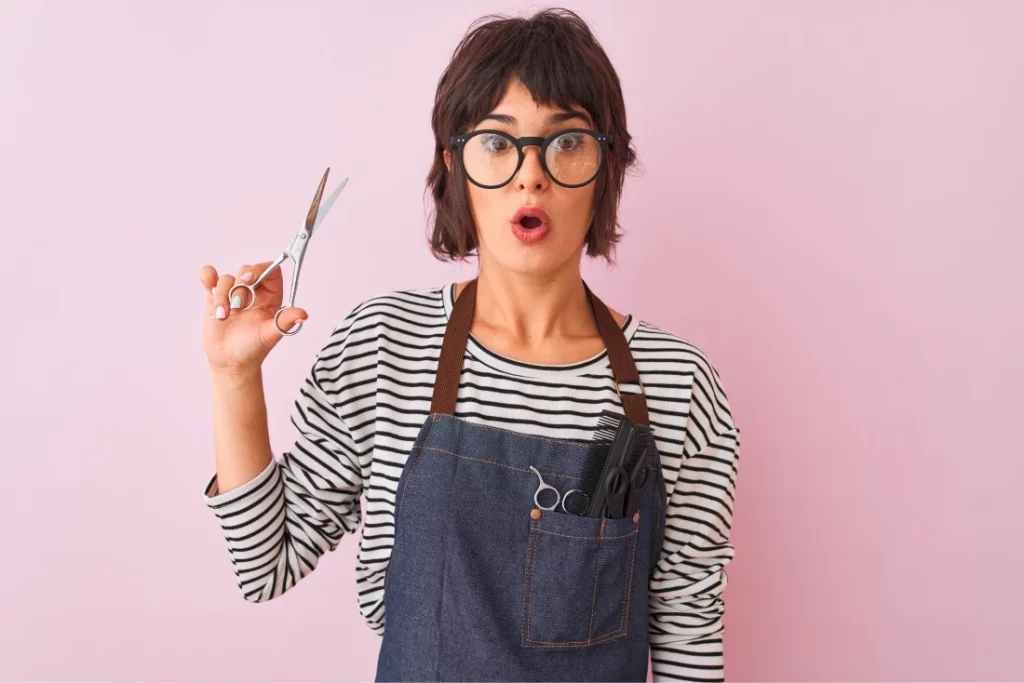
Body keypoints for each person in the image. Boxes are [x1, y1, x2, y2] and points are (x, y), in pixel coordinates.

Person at [198, 7, 741, 682]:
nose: (530, 174)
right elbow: (264, 565)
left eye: (566, 141)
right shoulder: (381, 348)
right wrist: (232, 378)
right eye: (497, 142)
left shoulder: (680, 384)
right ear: (455, 164)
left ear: (608, 166)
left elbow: (689, 634)